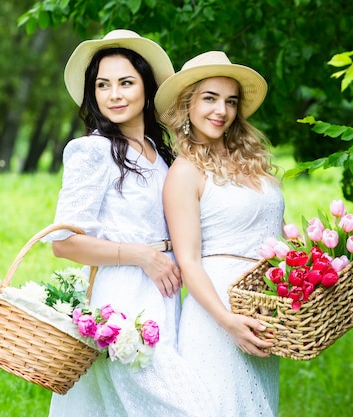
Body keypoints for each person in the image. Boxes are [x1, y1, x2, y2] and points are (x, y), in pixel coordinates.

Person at [45, 30, 214, 417]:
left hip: (166, 297)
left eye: (125, 83)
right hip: (122, 300)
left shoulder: (162, 153)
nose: (114, 95)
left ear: (146, 89)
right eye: (103, 85)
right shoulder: (93, 150)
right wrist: (141, 255)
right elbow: (64, 242)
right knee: (187, 407)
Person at [156, 51, 285, 416]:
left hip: (262, 304)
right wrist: (228, 321)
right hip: (217, 311)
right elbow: (189, 262)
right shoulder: (185, 172)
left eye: (230, 101)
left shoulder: (254, 163)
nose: (221, 111)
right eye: (210, 98)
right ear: (188, 104)